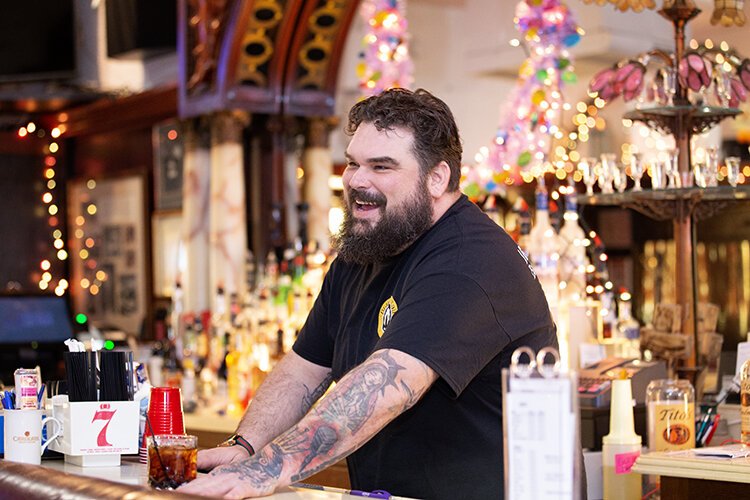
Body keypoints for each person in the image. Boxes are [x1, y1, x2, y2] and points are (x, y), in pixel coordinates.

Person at [179, 88, 561, 499]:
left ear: (437, 178)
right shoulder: (365, 250)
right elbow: (302, 370)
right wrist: (246, 448)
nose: (357, 181)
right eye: (352, 163)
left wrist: (269, 469)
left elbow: (389, 386)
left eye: (381, 166)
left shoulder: (471, 260)